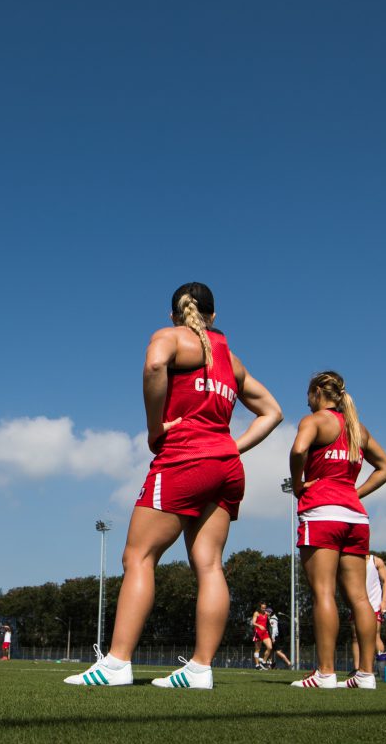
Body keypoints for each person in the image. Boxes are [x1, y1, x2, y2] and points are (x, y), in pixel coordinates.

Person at [65, 282, 282, 689]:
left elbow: (153, 366)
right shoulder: (232, 362)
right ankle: (200, 669)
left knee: (139, 558)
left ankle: (116, 664)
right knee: (210, 565)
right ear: (214, 315)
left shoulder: (169, 337)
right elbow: (273, 412)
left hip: (184, 460)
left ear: (174, 314)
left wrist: (154, 428)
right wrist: (232, 446)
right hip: (227, 467)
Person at [288, 371, 386, 690]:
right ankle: (365, 674)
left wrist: (297, 485)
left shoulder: (314, 421)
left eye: (308, 394)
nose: (306, 401)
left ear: (318, 391)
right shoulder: (356, 428)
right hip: (356, 517)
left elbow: (297, 451)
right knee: (360, 597)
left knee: (323, 592)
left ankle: (325, 673)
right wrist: (353, 492)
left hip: (321, 512)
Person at [350, 552, 386, 674]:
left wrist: (384, 601)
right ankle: (356, 668)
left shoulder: (376, 561)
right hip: (357, 605)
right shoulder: (352, 561)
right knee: (356, 636)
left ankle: (381, 668)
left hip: (374, 605)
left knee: (375, 635)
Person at [251, 601, 272, 670]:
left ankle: (263, 662)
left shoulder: (266, 614)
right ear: (259, 607)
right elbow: (253, 622)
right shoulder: (256, 613)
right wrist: (259, 625)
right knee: (257, 649)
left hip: (265, 633)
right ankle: (257, 665)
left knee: (270, 647)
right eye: (262, 608)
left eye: (265, 608)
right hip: (258, 632)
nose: (264, 609)